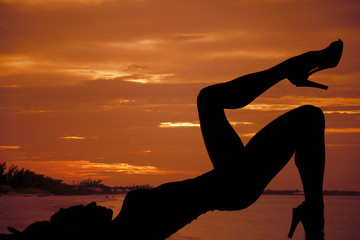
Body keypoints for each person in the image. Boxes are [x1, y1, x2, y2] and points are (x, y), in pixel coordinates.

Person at [113, 39, 343, 240]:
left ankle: (314, 214)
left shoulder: (116, 223)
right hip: (231, 185)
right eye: (84, 210)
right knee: (209, 99)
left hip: (228, 179)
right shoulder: (115, 232)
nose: (91, 204)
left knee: (309, 117)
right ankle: (294, 67)